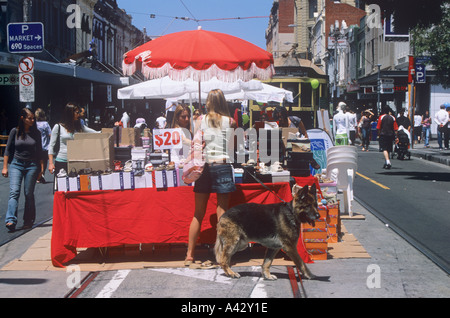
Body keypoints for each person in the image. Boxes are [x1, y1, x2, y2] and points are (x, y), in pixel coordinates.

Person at [185, 89, 237, 265]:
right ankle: (222, 255)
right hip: (222, 164)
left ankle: (189, 255)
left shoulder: (199, 120)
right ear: (223, 102)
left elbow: (197, 142)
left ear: (208, 102)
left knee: (198, 213)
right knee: (222, 213)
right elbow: (232, 147)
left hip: (204, 167)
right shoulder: (231, 122)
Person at [2, 108, 44, 231]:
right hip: (16, 164)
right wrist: (5, 167)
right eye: (29, 118)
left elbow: (40, 152)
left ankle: (28, 219)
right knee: (14, 192)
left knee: (28, 193)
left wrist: (41, 169)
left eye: (33, 118)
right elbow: (8, 150)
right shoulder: (15, 131)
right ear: (22, 118)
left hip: (32, 165)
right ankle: (11, 220)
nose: (32, 120)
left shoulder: (36, 133)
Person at [48, 103, 98, 181]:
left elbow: (95, 133)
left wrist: (110, 131)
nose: (79, 115)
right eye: (77, 113)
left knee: (76, 187)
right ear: (70, 113)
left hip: (76, 161)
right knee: (61, 188)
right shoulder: (58, 127)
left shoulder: (79, 127)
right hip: (62, 161)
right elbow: (51, 145)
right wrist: (51, 163)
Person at [35, 108, 51, 183]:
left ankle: (37, 175)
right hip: (45, 146)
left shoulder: (34, 124)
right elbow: (50, 134)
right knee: (44, 161)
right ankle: (41, 175)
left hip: (36, 146)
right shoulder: (45, 124)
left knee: (37, 161)